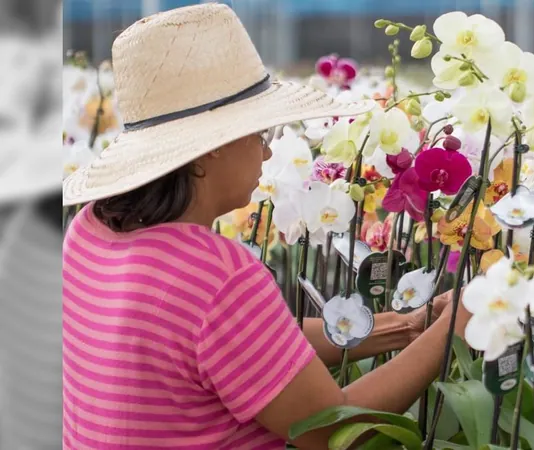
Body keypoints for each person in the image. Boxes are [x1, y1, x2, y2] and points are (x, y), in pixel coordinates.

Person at [61, 4, 471, 449]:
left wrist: (409, 326)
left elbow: (254, 346)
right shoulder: (216, 276)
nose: (269, 155)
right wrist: (450, 335)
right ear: (211, 147)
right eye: (262, 136)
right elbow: (332, 431)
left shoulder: (90, 229)